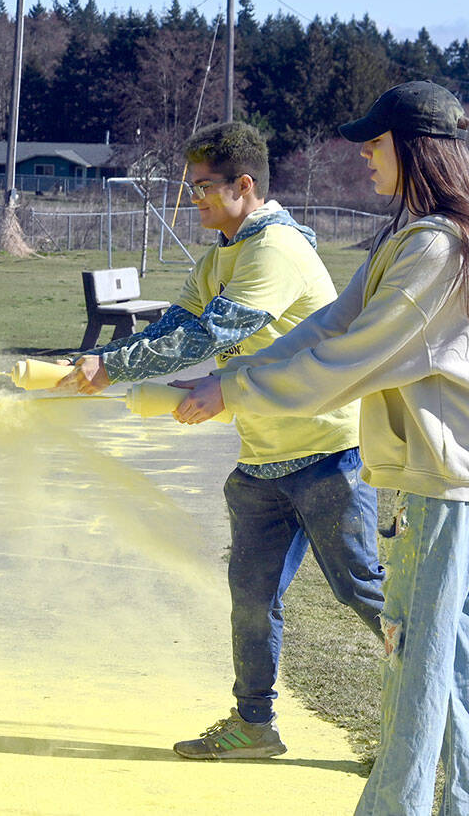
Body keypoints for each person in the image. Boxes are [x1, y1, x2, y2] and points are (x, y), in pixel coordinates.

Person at [178, 82, 469, 815]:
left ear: (417, 148)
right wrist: (232, 381)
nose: (364, 155)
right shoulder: (409, 238)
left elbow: (349, 357)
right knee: (445, 655)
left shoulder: (436, 247)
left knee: (418, 659)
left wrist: (233, 389)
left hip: (445, 484)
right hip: (431, 481)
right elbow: (329, 326)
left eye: (376, 143)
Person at [56, 120, 384, 759]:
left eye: (205, 186)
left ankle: (444, 702)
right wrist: (103, 362)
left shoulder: (275, 250)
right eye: (191, 187)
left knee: (362, 592)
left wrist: (113, 367)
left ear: (245, 185)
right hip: (262, 457)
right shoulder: (219, 256)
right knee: (252, 600)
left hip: (326, 453)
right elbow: (176, 325)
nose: (194, 199)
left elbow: (211, 335)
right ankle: (254, 725)